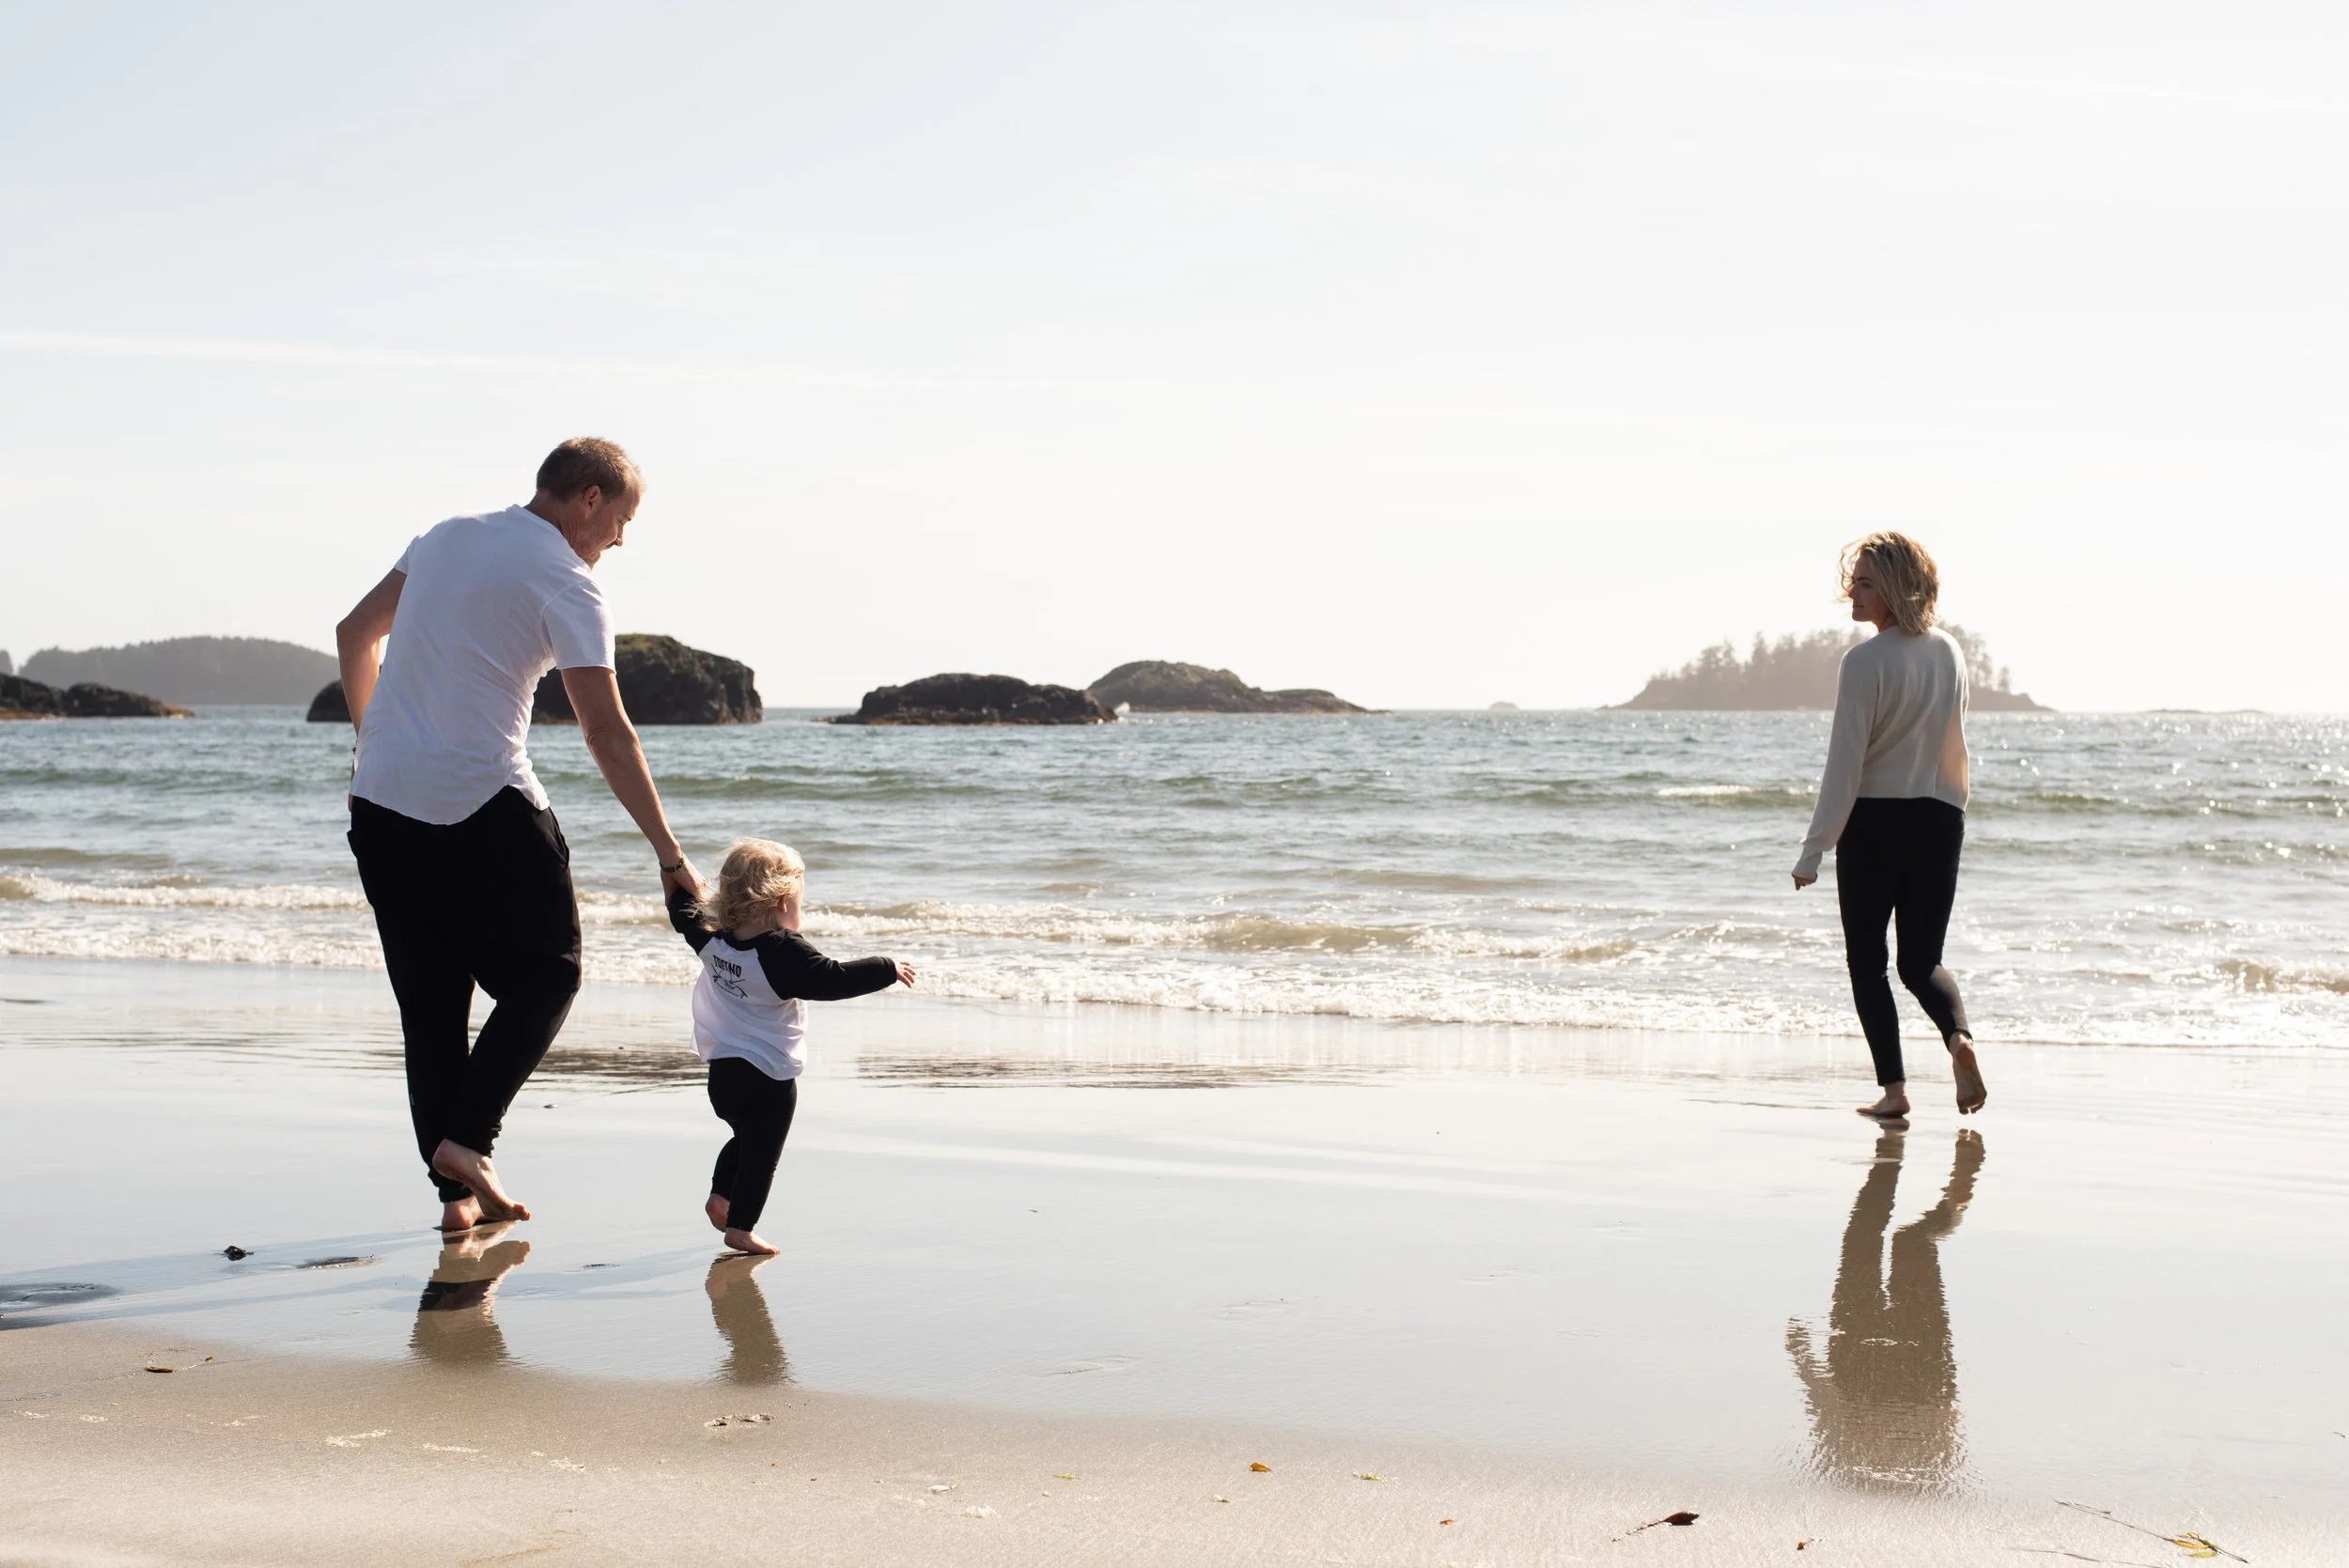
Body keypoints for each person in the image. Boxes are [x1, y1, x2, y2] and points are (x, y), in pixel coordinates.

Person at [337, 437, 700, 1234]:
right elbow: (607, 732)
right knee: (551, 972)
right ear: (591, 499)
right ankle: (469, 1141)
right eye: (622, 520)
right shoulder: (567, 582)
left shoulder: (445, 535)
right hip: (482, 804)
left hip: (381, 804)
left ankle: (456, 1203)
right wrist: (669, 854)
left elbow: (354, 633)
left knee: (431, 1006)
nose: (620, 541)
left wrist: (376, 743)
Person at [1792, 532, 1987, 1121]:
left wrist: (1814, 848)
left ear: (1898, 587)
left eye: (1868, 582)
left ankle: (1895, 1092)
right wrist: (1948, 809)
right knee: (1921, 961)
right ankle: (1959, 1040)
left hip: (1876, 822)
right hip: (1939, 819)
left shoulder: (1863, 663)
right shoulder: (1949, 651)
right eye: (1854, 579)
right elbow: (1956, 738)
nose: (1854, 590)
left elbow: (1844, 764)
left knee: (1867, 963)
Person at [669, 839, 914, 1256]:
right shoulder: (782, 951)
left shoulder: (711, 939)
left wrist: (671, 865)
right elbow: (833, 979)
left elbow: (680, 905)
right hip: (768, 1076)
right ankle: (740, 1229)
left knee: (745, 1137)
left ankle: (720, 1197)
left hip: (723, 1073)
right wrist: (886, 967)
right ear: (783, 901)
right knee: (763, 1156)